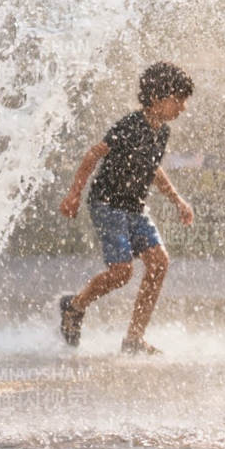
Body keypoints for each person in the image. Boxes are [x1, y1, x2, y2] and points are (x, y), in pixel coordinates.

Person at [58, 62, 195, 356]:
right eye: (178, 99)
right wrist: (74, 194)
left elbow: (153, 168)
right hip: (107, 204)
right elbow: (94, 154)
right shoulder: (130, 126)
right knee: (122, 272)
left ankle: (134, 339)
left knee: (159, 262)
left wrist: (177, 200)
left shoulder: (162, 133)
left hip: (135, 207)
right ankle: (74, 306)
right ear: (158, 98)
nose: (183, 107)